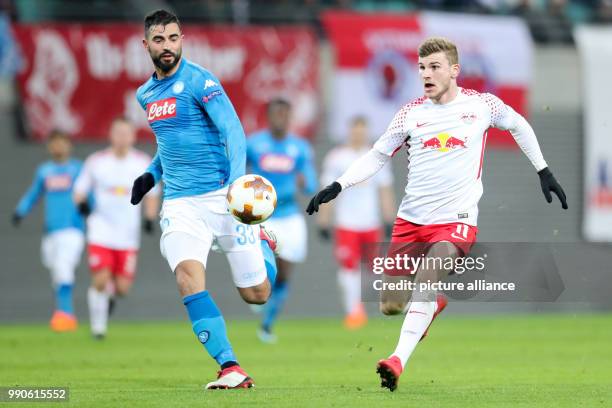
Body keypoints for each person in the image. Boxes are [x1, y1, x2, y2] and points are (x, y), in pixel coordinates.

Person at [306, 37, 567, 391]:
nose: (426, 74)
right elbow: (378, 155)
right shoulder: (410, 114)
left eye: (434, 67)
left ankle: (396, 360)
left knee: (426, 283)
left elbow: (519, 124)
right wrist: (338, 185)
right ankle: (434, 304)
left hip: (456, 220)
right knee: (390, 305)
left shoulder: (483, 106)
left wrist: (543, 170)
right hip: (411, 221)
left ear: (454, 70)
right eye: (422, 68)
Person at [129, 9, 278, 389]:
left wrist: (238, 183)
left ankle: (263, 241)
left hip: (222, 196)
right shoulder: (145, 94)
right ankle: (230, 366)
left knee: (256, 295)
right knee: (187, 279)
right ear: (146, 45)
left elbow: (233, 129)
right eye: (160, 40)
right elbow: (169, 144)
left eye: (174, 38)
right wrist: (151, 174)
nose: (168, 47)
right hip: (180, 205)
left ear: (182, 39)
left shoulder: (200, 80)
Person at [73, 117, 159, 339]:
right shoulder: (96, 161)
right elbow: (79, 190)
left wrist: (149, 218)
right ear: (111, 135)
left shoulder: (142, 162)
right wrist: (81, 204)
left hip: (127, 234)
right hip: (100, 230)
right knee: (100, 279)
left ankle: (109, 298)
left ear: (133, 136)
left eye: (126, 133)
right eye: (117, 133)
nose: (121, 138)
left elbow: (152, 193)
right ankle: (98, 328)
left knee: (122, 288)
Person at [247, 98, 317, 343]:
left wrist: (305, 182)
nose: (281, 118)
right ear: (268, 116)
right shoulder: (254, 144)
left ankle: (266, 325)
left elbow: (310, 183)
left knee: (285, 274)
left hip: (289, 215)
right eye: (276, 113)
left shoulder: (300, 148)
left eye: (285, 114)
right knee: (263, 263)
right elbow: (236, 169)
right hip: (262, 215)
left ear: (290, 117)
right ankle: (257, 289)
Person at [318, 116, 396, 329]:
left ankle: (378, 305)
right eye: (355, 130)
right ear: (349, 131)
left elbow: (384, 189)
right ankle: (354, 312)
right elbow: (327, 191)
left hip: (371, 223)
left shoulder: (377, 156)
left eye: (362, 130)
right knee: (348, 268)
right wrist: (324, 220)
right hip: (347, 224)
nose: (359, 134)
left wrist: (389, 218)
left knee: (373, 270)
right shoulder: (337, 158)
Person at [12, 130, 85, 332]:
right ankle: (62, 312)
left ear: (69, 145)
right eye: (54, 143)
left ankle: (66, 316)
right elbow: (34, 194)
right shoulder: (45, 171)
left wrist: (90, 207)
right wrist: (21, 211)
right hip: (51, 231)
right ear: (49, 147)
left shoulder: (78, 169)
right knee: (56, 272)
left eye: (62, 142)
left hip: (72, 229)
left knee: (63, 269)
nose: (58, 147)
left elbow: (89, 193)